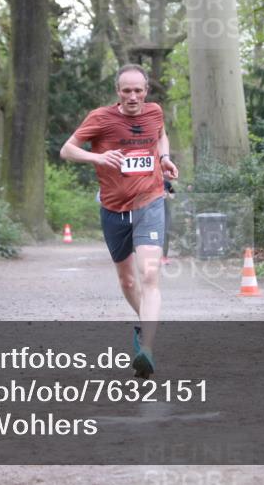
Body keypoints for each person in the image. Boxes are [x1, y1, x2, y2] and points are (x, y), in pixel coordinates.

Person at [60, 64, 178, 378]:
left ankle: (147, 349)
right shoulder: (101, 118)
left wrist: (164, 158)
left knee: (149, 275)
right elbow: (67, 150)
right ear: (118, 92)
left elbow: (160, 136)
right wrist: (97, 157)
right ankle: (145, 327)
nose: (133, 97)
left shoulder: (154, 112)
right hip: (114, 209)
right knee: (127, 281)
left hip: (150, 203)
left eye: (138, 90)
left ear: (146, 91)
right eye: (127, 91)